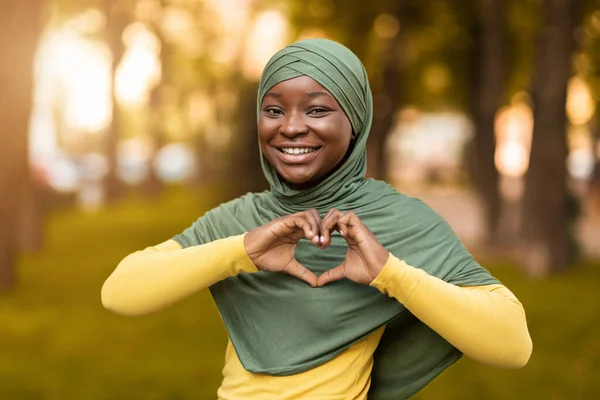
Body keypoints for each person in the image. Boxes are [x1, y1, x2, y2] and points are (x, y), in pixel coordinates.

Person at [101, 39, 532, 399]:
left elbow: (512, 345)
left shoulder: (401, 221)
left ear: (356, 121)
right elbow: (120, 293)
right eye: (273, 110)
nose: (290, 127)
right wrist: (242, 250)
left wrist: (389, 273)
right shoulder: (240, 219)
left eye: (317, 109)